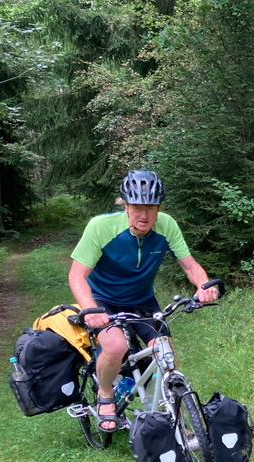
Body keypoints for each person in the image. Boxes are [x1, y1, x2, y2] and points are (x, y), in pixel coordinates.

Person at [68, 170, 218, 431]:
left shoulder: (167, 225)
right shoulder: (101, 228)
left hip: (142, 299)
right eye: (137, 207)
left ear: (159, 208)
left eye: (151, 207)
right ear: (125, 205)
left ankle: (168, 410)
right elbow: (77, 275)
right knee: (114, 347)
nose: (144, 215)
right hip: (104, 300)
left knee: (164, 349)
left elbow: (190, 266)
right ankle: (105, 393)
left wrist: (203, 285)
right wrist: (90, 309)